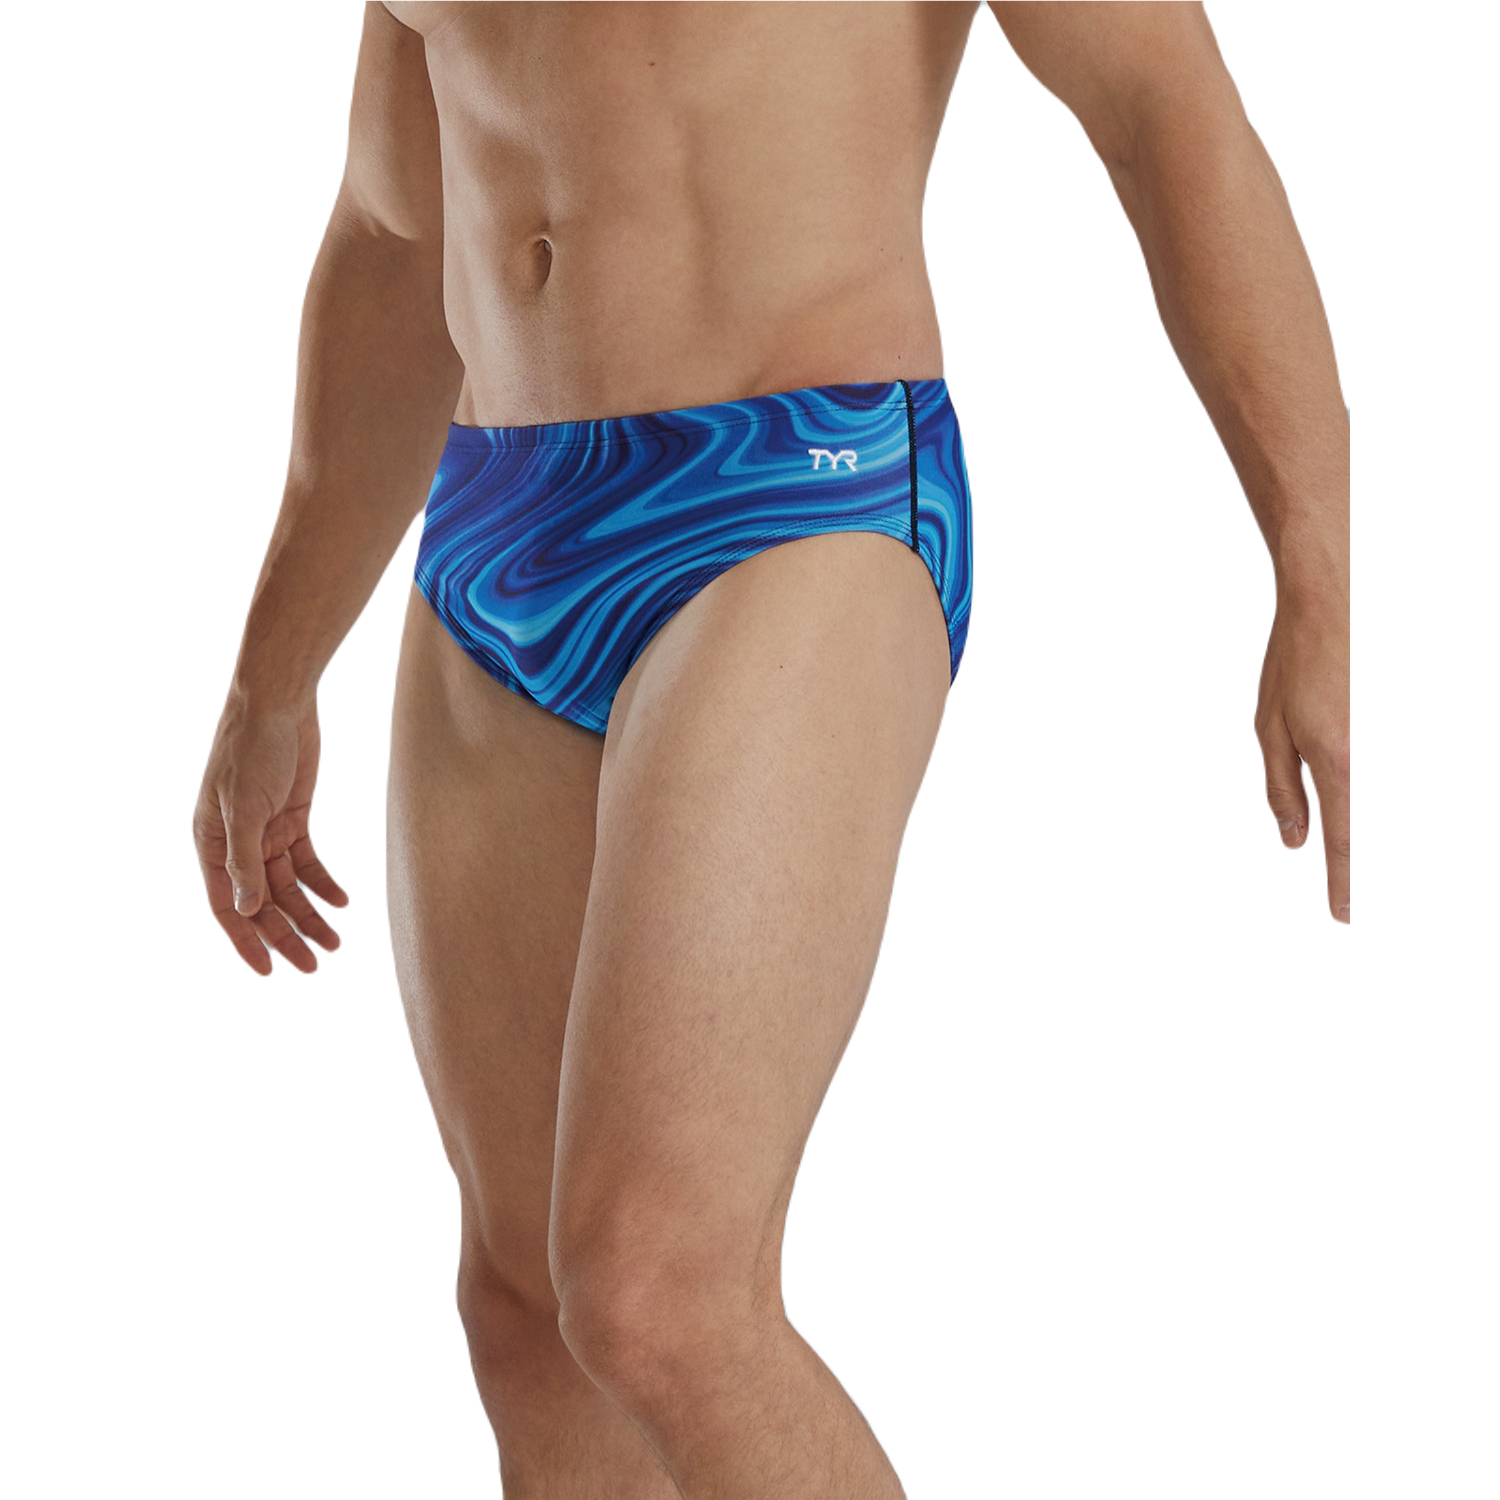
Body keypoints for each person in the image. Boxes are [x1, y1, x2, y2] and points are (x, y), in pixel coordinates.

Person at [192, 2, 1350, 1494]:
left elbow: (1164, 108)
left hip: (797, 488)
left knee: (656, 1290)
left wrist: (1316, 561)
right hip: (497, 529)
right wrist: (272, 676)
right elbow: (395, 229)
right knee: (527, 1312)